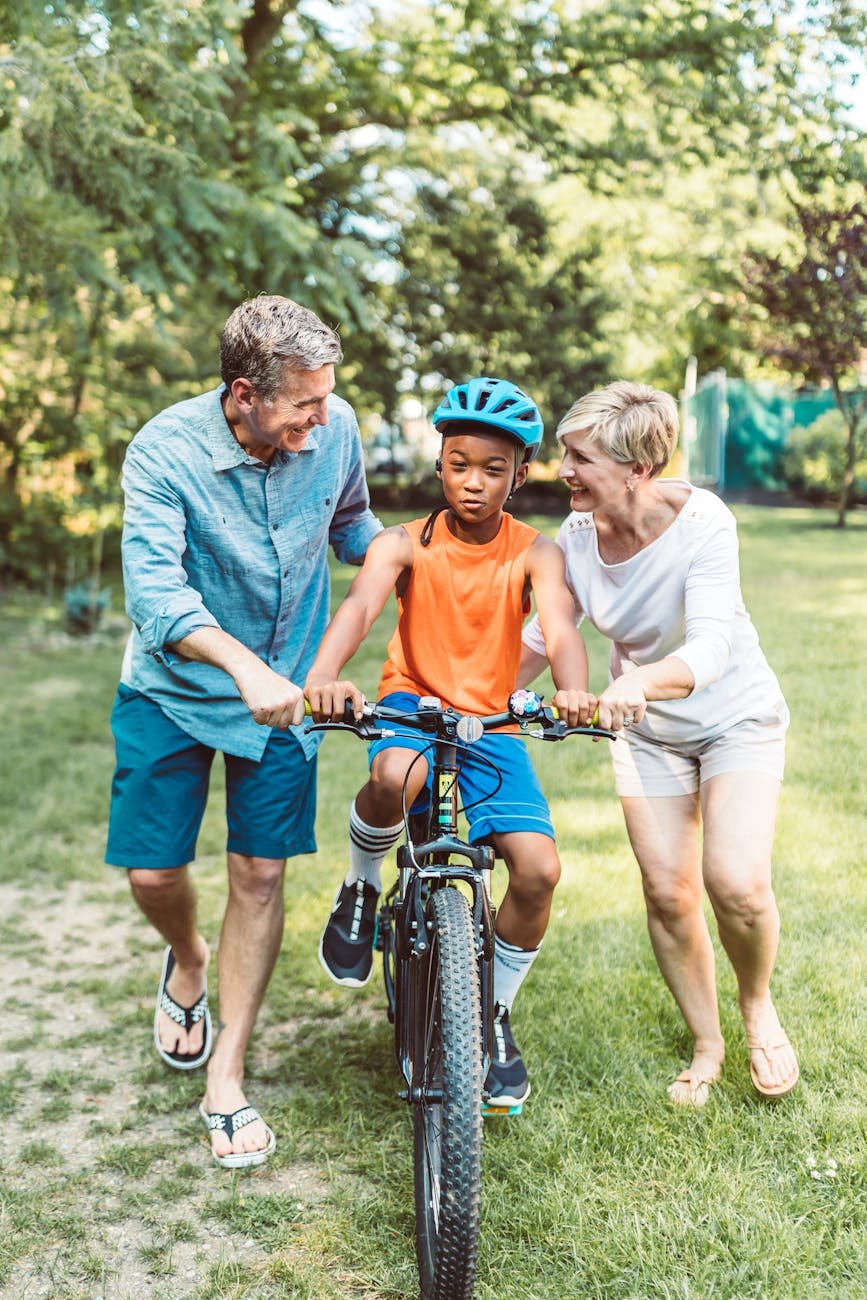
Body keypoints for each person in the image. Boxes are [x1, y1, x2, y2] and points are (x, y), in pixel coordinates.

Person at [105, 294, 382, 1166]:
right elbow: (156, 596)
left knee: (260, 872)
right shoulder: (163, 451)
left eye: (326, 398)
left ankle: (228, 1070)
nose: (320, 417)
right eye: (302, 404)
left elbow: (351, 526)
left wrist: (430, 561)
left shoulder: (332, 430)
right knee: (153, 872)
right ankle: (186, 958)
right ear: (241, 394)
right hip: (176, 686)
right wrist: (242, 667)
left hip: (286, 691)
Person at [304, 376, 595, 1109]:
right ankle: (362, 888)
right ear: (439, 464)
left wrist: (573, 690)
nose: (473, 482)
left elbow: (558, 625)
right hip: (411, 703)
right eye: (459, 464)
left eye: (492, 469)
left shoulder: (536, 553)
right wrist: (321, 675)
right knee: (396, 778)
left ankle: (491, 1011)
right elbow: (361, 604)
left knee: (537, 870)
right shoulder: (402, 545)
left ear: (519, 476)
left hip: (489, 719)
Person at [520, 380, 799, 1106]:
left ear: (636, 469)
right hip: (645, 730)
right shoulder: (577, 537)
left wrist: (636, 684)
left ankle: (756, 1005)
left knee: (735, 883)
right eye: (565, 454)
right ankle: (707, 1044)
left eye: (579, 458)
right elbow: (539, 637)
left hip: (731, 714)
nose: (566, 471)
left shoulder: (703, 522)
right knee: (667, 892)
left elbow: (708, 648)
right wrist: (464, 697)